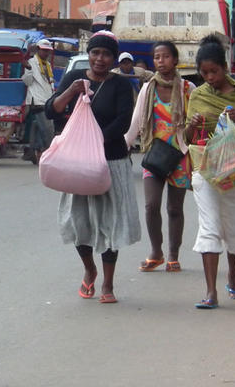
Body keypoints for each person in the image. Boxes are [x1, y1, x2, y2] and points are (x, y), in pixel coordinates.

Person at [45, 30, 141, 304]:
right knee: (79, 222)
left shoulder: (121, 86)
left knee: (110, 223)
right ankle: (90, 269)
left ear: (114, 58)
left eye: (106, 54)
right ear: (89, 55)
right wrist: (72, 91)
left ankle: (108, 284)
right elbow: (52, 109)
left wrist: (95, 142)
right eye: (96, 53)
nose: (100, 59)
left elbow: (123, 121)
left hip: (110, 161)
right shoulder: (75, 78)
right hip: (77, 164)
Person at [184, 35, 235, 308]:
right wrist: (192, 125)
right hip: (205, 170)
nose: (209, 78)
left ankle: (233, 276)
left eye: (213, 71)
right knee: (209, 226)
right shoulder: (198, 95)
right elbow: (188, 137)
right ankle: (211, 291)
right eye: (204, 73)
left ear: (225, 67)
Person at [124, 41, 196, 273]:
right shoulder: (148, 88)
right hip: (154, 155)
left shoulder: (188, 89)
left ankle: (173, 255)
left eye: (165, 57)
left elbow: (196, 122)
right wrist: (123, 145)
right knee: (151, 205)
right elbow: (136, 121)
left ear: (175, 60)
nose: (160, 61)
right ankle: (156, 252)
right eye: (156, 57)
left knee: (175, 209)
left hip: (180, 155)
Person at [21, 39, 56, 164]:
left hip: (48, 100)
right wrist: (29, 69)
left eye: (48, 51)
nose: (46, 53)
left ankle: (34, 151)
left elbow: (50, 83)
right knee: (48, 130)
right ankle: (47, 153)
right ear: (38, 50)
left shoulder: (47, 65)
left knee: (42, 128)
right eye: (44, 50)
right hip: (37, 100)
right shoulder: (31, 63)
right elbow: (27, 82)